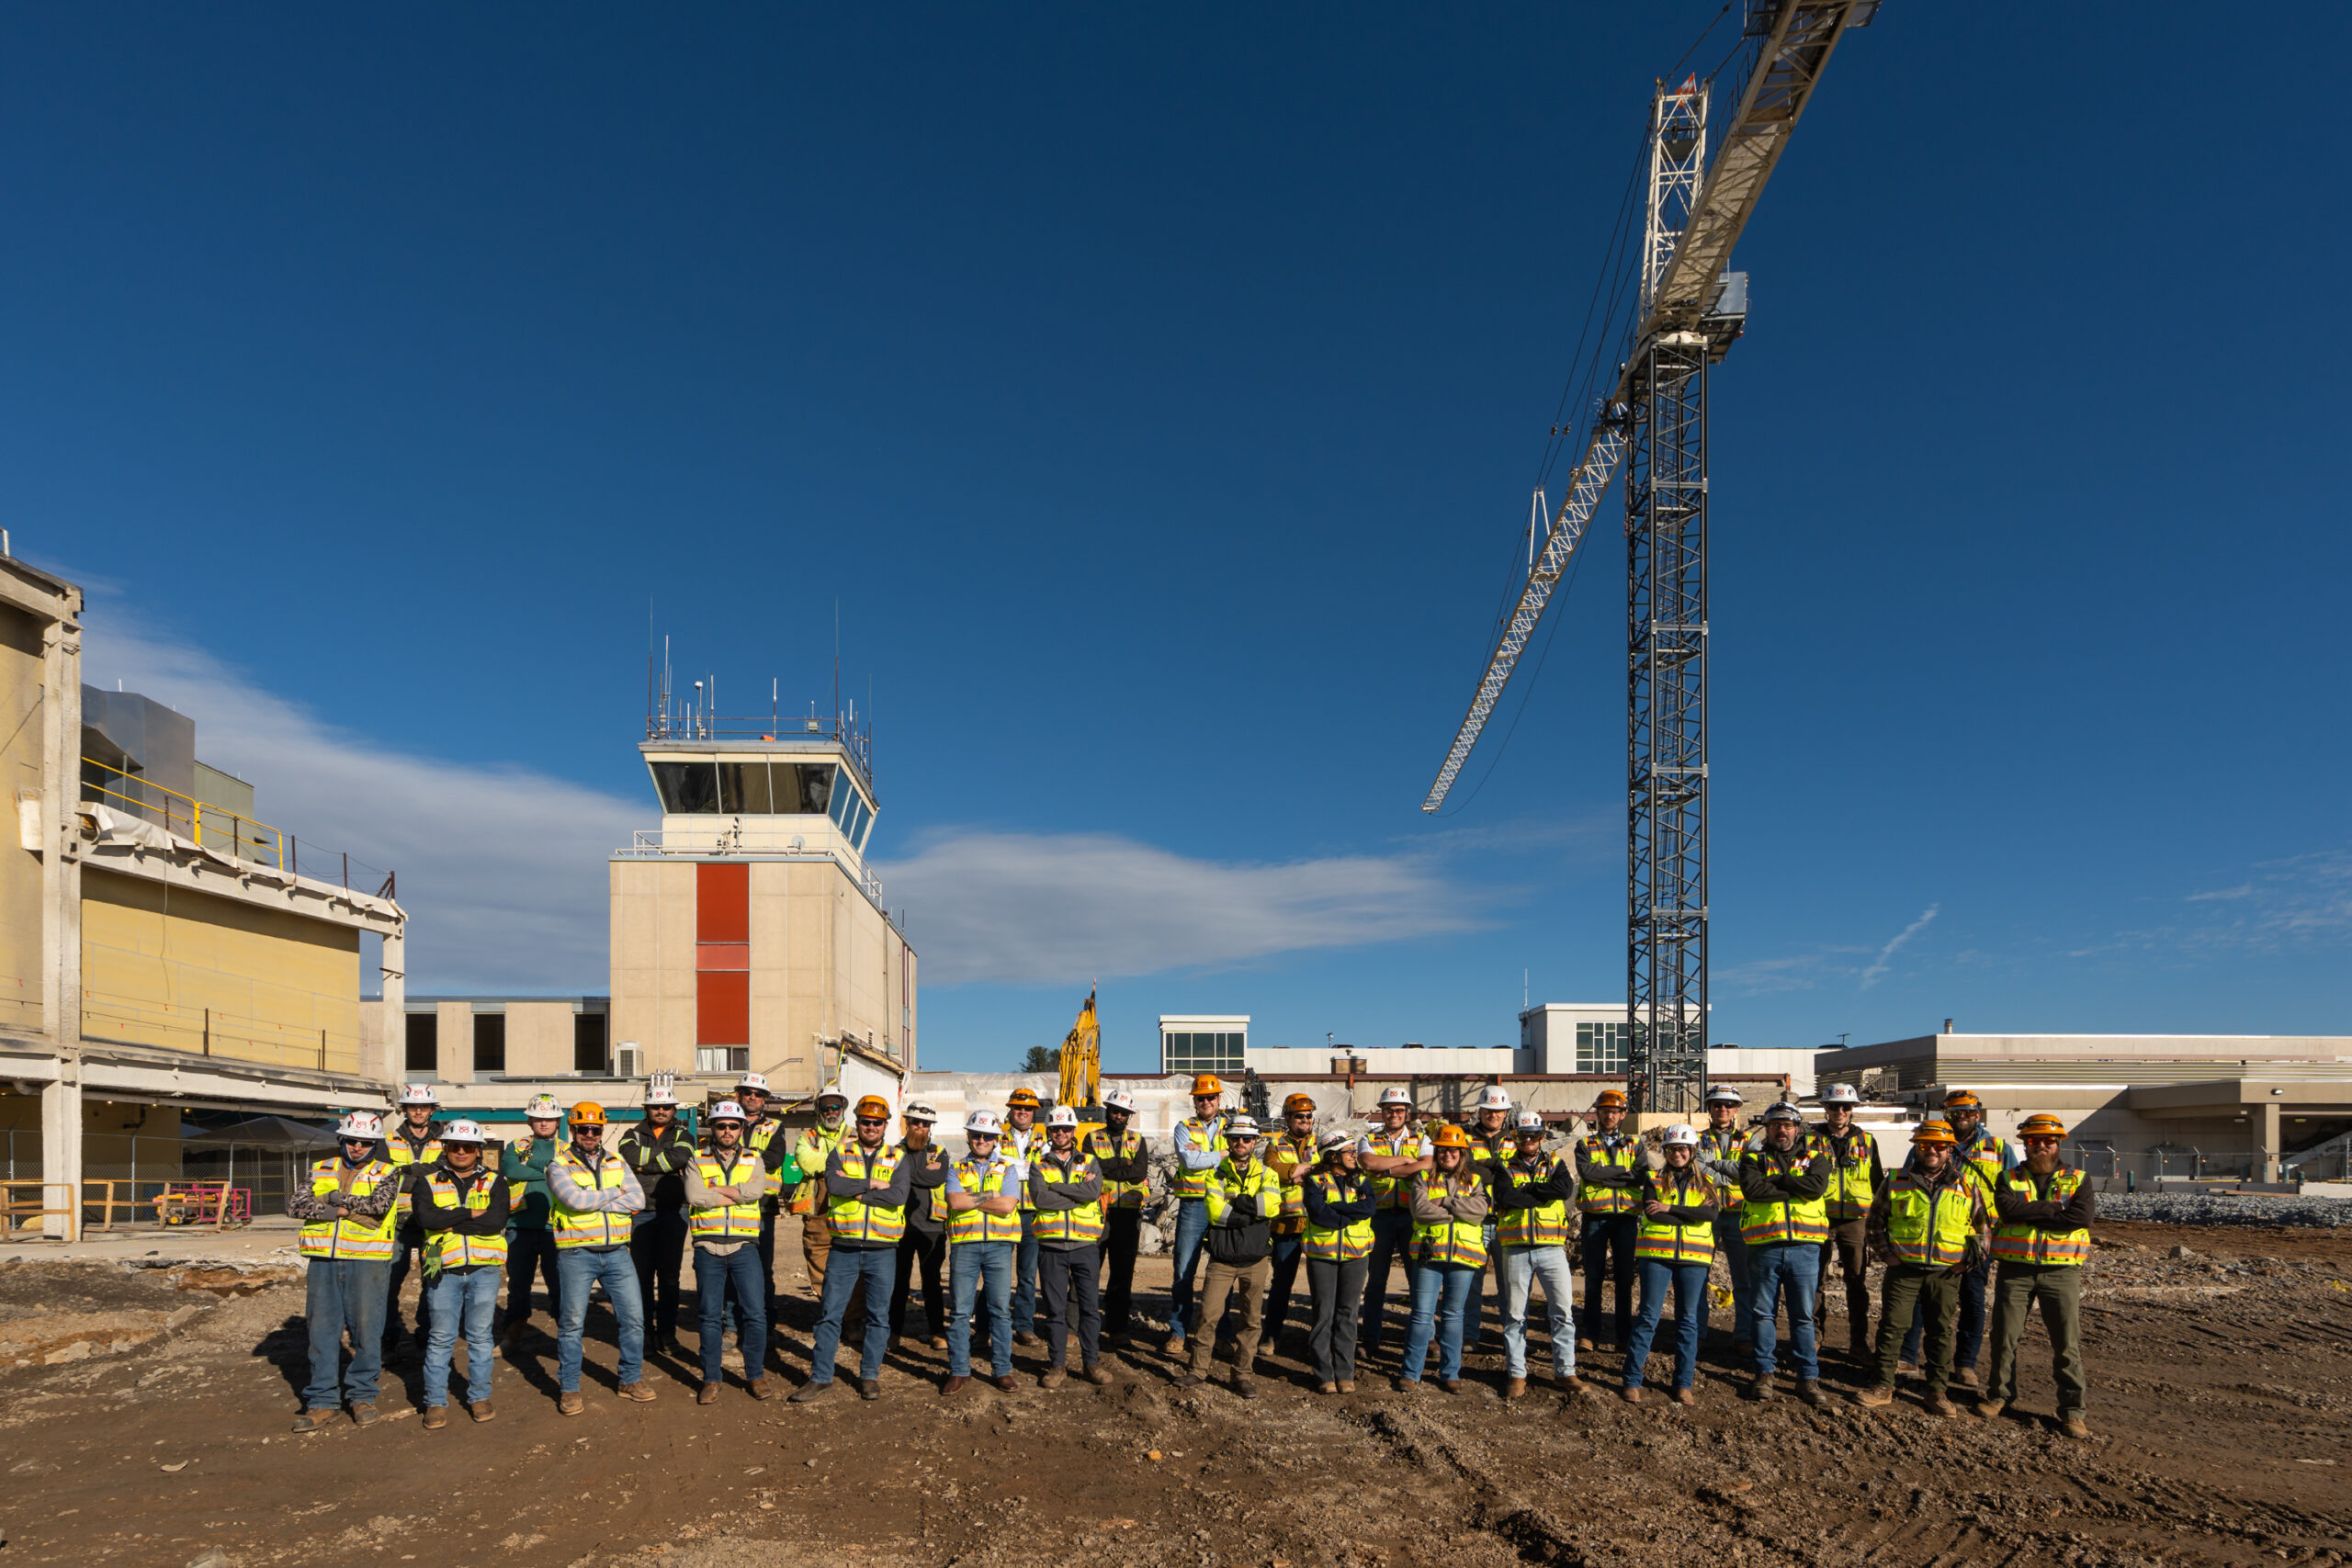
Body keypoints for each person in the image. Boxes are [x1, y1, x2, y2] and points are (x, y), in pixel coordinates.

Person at [1854, 1119, 1987, 1416]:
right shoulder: (1896, 1180)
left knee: (1940, 1331)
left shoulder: (1966, 1186)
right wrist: (1887, 1255)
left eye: (1940, 1146)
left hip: (1945, 1273)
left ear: (1949, 1150)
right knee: (1892, 1328)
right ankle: (1883, 1386)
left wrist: (1967, 1263)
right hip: (1904, 1271)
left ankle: (1936, 1391)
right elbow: (1875, 1222)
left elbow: (1982, 1229)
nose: (1933, 1151)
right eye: (1926, 1145)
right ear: (1918, 1148)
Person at [1981, 1113, 2094, 1438]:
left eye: (2048, 1140)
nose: (2041, 1146)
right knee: (2004, 1338)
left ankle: (2072, 1410)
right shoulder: (2008, 1177)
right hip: (2015, 1269)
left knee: (2066, 1344)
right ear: (2025, 1144)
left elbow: (2080, 1218)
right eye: (2034, 1141)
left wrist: (2032, 1214)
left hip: (2061, 1272)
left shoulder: (2079, 1179)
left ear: (2058, 1143)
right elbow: (2007, 1211)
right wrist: (2055, 1210)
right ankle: (1999, 1395)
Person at [794, 1094, 910, 1402]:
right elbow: (835, 1187)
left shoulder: (898, 1157)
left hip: (883, 1249)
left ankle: (869, 1375)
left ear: (885, 1125)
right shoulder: (839, 1153)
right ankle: (821, 1377)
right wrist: (872, 1185)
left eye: (876, 1122)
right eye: (865, 1121)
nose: (870, 1127)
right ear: (856, 1122)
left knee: (878, 1316)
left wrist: (856, 1191)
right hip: (844, 1247)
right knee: (830, 1315)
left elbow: (898, 1196)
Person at [289, 1112, 400, 1432]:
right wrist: (337, 1209)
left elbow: (378, 1206)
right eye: (352, 1140)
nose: (357, 1146)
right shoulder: (320, 1169)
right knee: (321, 1332)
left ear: (374, 1144)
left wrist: (331, 1198)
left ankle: (362, 1395)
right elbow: (295, 1206)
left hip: (368, 1262)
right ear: (342, 1139)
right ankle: (322, 1401)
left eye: (365, 1142)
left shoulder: (387, 1172)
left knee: (366, 1330)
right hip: (323, 1260)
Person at [1900, 1089, 2016, 1383]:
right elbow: (1906, 1183)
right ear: (1946, 1114)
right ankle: (1908, 1357)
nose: (1961, 1118)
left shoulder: (1999, 1148)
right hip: (1934, 1235)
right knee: (1921, 1298)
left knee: (1973, 1299)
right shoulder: (1927, 1143)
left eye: (1967, 1112)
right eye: (1955, 1113)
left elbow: (2013, 1191)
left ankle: (1965, 1364)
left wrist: (1999, 1229)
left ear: (1978, 1114)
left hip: (1977, 1236)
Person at [548, 1100, 650, 1415]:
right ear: (573, 1130)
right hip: (577, 1253)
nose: (589, 1135)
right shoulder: (558, 1165)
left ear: (601, 1130)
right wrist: (613, 1195)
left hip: (618, 1253)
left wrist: (597, 1200)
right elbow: (575, 1201)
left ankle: (629, 1380)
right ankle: (569, 1388)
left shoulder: (617, 1161)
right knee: (571, 1324)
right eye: (583, 1129)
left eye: (594, 1129)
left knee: (633, 1320)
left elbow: (639, 1199)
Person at [411, 1119, 511, 1428]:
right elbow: (426, 1218)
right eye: (456, 1146)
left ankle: (479, 1396)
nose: (462, 1152)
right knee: (440, 1338)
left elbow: (495, 1221)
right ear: (447, 1148)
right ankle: (436, 1403)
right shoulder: (427, 1182)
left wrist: (449, 1221)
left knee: (481, 1338)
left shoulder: (496, 1181)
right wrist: (469, 1214)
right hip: (443, 1268)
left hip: (484, 1269)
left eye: (469, 1147)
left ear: (479, 1151)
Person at [1180, 1113, 1281, 1396]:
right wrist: (1247, 1212)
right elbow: (1215, 1211)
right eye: (1235, 1138)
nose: (1240, 1142)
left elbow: (1272, 1206)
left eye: (1246, 1138)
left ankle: (1241, 1375)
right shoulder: (1215, 1173)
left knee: (1250, 1321)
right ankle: (1198, 1371)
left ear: (1254, 1142)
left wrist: (1237, 1203)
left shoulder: (1268, 1173)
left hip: (1255, 1259)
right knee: (1208, 1316)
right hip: (1222, 1260)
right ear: (1228, 1140)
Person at [1739, 1101, 1832, 1404]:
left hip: (1804, 1248)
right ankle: (1764, 1373)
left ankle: (1808, 1378)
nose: (1782, 1130)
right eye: (1776, 1125)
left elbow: (1816, 1188)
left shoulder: (1817, 1157)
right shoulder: (1753, 1158)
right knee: (1763, 1313)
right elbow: (1753, 1191)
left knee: (1803, 1317)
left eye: (1788, 1125)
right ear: (1767, 1128)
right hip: (1764, 1246)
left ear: (1798, 1129)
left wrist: (1777, 1180)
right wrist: (1796, 1187)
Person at [1622, 1123, 1720, 1405]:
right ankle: (1631, 1380)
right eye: (1672, 1149)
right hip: (1657, 1256)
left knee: (1688, 1322)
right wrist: (1689, 1215)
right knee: (1647, 1318)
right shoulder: (1653, 1180)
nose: (1677, 1154)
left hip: (1694, 1259)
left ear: (1692, 1151)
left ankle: (1683, 1384)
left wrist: (1670, 1208)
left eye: (1682, 1149)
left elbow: (1710, 1214)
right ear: (1665, 1151)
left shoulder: (1707, 1182)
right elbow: (1654, 1216)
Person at [685, 1100, 772, 1403]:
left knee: (755, 1313)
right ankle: (711, 1379)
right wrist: (736, 1194)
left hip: (744, 1244)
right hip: (708, 1246)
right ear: (712, 1127)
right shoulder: (697, 1159)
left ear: (741, 1129)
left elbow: (756, 1192)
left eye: (733, 1126)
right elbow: (694, 1195)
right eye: (721, 1125)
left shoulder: (754, 1160)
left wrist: (717, 1191)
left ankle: (755, 1375)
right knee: (710, 1316)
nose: (727, 1130)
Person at [1492, 1110, 1581, 1398]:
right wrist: (1543, 1192)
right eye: (1522, 1135)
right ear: (1515, 1136)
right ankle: (1517, 1374)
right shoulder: (1505, 1168)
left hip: (1551, 1248)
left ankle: (1565, 1371)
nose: (1528, 1139)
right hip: (1516, 1249)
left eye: (1533, 1135)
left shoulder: (1555, 1163)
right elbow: (1506, 1197)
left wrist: (1529, 1189)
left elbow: (1564, 1189)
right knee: (1515, 1315)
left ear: (1542, 1136)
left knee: (1562, 1312)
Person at [1398, 1123, 1487, 1393]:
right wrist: (1459, 1210)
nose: (1447, 1155)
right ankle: (1410, 1373)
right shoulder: (1423, 1178)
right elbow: (1420, 1211)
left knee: (1453, 1316)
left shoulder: (1474, 1181)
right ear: (1436, 1152)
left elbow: (1480, 1211)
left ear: (1462, 1153)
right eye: (1442, 1150)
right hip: (1429, 1255)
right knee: (1421, 1315)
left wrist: (1446, 1203)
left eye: (1453, 1151)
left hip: (1463, 1256)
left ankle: (1450, 1373)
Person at [1029, 1105, 1113, 1388]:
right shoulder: (1039, 1164)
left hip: (1085, 1246)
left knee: (1089, 1308)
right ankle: (1057, 1366)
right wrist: (1077, 1193)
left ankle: (1091, 1364)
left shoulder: (1090, 1160)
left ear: (1074, 1131)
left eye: (1065, 1128)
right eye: (1055, 1129)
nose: (1061, 1133)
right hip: (1051, 1246)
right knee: (1055, 1310)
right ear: (1048, 1132)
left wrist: (1058, 1189)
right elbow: (1041, 1200)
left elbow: (1093, 1193)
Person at [942, 1109, 1022, 1393]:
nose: (982, 1140)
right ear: (969, 1136)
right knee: (960, 1312)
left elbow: (1008, 1205)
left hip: (999, 1247)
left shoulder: (1008, 1169)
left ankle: (1002, 1370)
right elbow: (954, 1202)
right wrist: (991, 1196)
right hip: (964, 1246)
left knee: (1000, 1311)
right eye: (977, 1135)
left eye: (988, 1136)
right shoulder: (955, 1168)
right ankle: (959, 1370)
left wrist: (973, 1199)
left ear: (996, 1139)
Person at [1355, 1087, 1432, 1363]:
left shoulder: (1422, 1138)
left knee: (1419, 1280)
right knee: (1376, 1281)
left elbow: (1427, 1165)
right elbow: (1367, 1162)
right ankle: (1371, 1338)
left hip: (1413, 1216)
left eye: (1399, 1110)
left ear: (1407, 1113)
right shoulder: (1369, 1138)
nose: (1394, 1114)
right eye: (1389, 1109)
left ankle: (1427, 1337)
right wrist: (1403, 1162)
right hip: (1380, 1216)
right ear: (1381, 1111)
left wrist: (1385, 1168)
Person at [618, 1079, 694, 1358]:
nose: (660, 1110)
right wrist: (663, 1162)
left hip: (674, 1212)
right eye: (655, 1106)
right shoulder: (630, 1133)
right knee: (641, 1277)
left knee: (670, 1278)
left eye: (665, 1106)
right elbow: (628, 1155)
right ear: (646, 1109)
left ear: (673, 1109)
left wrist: (644, 1165)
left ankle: (667, 1333)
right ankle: (644, 1332)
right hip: (640, 1212)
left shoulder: (685, 1134)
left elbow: (681, 1157)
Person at [1813, 1083, 1884, 1362]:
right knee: (1815, 1282)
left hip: (1855, 1220)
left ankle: (1858, 1342)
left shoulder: (1867, 1141)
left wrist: (1879, 1221)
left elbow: (1878, 1182)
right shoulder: (1809, 1139)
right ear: (1826, 1108)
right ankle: (1815, 1337)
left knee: (1856, 1282)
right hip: (1818, 1217)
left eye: (1845, 1106)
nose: (1839, 1111)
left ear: (1853, 1109)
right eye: (1833, 1106)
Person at [1301, 1129, 1374, 1393]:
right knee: (1323, 1314)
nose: (1354, 1155)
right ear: (1333, 1156)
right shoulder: (1315, 1181)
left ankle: (1345, 1373)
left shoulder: (1361, 1180)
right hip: (1323, 1256)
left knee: (1348, 1314)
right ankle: (1324, 1374)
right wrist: (1348, 1215)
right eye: (1349, 1151)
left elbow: (1369, 1209)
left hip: (1355, 1256)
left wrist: (1338, 1209)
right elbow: (1320, 1214)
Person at [1164, 1076, 1229, 1356]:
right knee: (1183, 1271)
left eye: (1211, 1097)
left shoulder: (1233, 1126)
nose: (1206, 1102)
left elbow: (1243, 1156)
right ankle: (1178, 1331)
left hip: (1225, 1205)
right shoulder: (1184, 1127)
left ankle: (1223, 1334)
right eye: (1201, 1098)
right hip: (1193, 1205)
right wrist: (1221, 1153)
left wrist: (1204, 1152)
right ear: (1194, 1101)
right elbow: (1188, 1161)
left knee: (1224, 1271)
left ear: (1219, 1099)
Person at [1574, 1089, 1641, 1352]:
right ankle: (1590, 1333)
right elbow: (1587, 1173)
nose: (1609, 1115)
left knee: (1624, 1279)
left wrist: (1606, 1175)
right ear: (1597, 1114)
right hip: (1595, 1217)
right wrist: (1623, 1171)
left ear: (1623, 1114)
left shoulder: (1636, 1145)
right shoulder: (1585, 1144)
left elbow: (1640, 1176)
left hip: (1626, 1217)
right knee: (1593, 1277)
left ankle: (1623, 1335)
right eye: (1604, 1111)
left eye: (1614, 1111)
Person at [380, 1083, 443, 1359]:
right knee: (390, 1281)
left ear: (432, 1109)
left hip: (433, 1225)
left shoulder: (447, 1140)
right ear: (404, 1109)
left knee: (434, 1279)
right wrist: (424, 1175)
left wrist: (406, 1173)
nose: (419, 1111)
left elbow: (445, 1175)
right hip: (398, 1225)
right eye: (413, 1106)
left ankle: (426, 1334)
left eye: (424, 1106)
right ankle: (388, 1336)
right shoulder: (387, 1140)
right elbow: (384, 1178)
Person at [499, 1093, 565, 1348]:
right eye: (538, 1118)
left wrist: (534, 1170)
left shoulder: (567, 1149)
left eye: (549, 1119)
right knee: (518, 1284)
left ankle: (567, 1337)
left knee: (559, 1285)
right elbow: (512, 1170)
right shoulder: (515, 1146)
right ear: (529, 1120)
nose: (544, 1123)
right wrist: (550, 1171)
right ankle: (512, 1336)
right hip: (520, 1225)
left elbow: (569, 1175)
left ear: (558, 1121)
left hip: (555, 1227)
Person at [1087, 1088, 1152, 1344]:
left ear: (1129, 1116)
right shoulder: (1092, 1138)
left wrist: (1110, 1170)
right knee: (1088, 1271)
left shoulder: (1138, 1140)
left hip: (1128, 1214)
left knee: (1122, 1274)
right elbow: (1090, 1168)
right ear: (1108, 1111)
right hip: (1098, 1212)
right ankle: (1082, 1324)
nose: (1118, 1116)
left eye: (1123, 1113)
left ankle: (1117, 1328)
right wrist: (1122, 1164)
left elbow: (1139, 1173)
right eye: (1115, 1111)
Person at [890, 1100, 951, 1350]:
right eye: (916, 1122)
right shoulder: (893, 1151)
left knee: (932, 1283)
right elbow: (896, 1177)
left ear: (931, 1127)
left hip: (932, 1228)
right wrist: (919, 1174)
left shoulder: (939, 1151)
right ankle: (892, 1332)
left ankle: (937, 1331)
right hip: (899, 1227)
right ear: (907, 1123)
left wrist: (906, 1174)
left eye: (925, 1124)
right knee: (897, 1283)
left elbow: (937, 1177)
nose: (920, 1127)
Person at [1261, 1093, 1318, 1355]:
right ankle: (1271, 1336)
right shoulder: (1274, 1144)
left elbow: (1329, 1171)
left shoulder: (1321, 1142)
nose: (1305, 1120)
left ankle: (1318, 1340)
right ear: (1287, 1117)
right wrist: (1305, 1171)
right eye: (1300, 1116)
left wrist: (1295, 1173)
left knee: (1322, 1287)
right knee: (1281, 1284)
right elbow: (1272, 1170)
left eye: (1308, 1116)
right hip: (1287, 1224)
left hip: (1319, 1224)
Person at [1461, 1086, 1515, 1349]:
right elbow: (1465, 1170)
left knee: (1509, 1285)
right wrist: (1499, 1171)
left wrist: (1488, 1169)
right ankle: (1470, 1334)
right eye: (1488, 1110)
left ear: (1505, 1113)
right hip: (1475, 1221)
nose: (1492, 1115)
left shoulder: (1518, 1139)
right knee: (1472, 1282)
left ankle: (1511, 1337)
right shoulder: (1465, 1139)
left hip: (1507, 1221)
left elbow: (1516, 1175)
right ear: (1479, 1111)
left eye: (1497, 1111)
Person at [1696, 1086, 1750, 1342]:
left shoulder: (1751, 1141)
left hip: (1740, 1215)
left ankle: (1744, 1335)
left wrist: (1714, 1167)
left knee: (1744, 1279)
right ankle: (1697, 1333)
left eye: (1728, 1105)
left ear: (1736, 1109)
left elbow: (1752, 1169)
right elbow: (1695, 1169)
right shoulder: (1696, 1139)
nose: (1723, 1109)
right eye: (1717, 1104)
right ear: (1709, 1108)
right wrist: (1729, 1177)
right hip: (1708, 1213)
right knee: (1698, 1276)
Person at [792, 1082, 850, 1307]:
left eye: (835, 1107)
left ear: (842, 1108)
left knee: (850, 1264)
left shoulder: (855, 1134)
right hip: (818, 1212)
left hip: (849, 1209)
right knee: (818, 1262)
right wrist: (841, 1162)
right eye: (826, 1108)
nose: (831, 1112)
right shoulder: (808, 1137)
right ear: (819, 1111)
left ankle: (852, 1319)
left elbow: (859, 1167)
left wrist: (824, 1161)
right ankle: (830, 1312)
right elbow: (806, 1163)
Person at [1001, 1087, 1046, 1347]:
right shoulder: (997, 1137)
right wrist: (1026, 1168)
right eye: (1018, 1107)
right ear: (1011, 1110)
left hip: (1031, 1214)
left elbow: (1042, 1169)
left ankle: (1024, 1326)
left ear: (1034, 1113)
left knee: (1027, 1275)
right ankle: (991, 1325)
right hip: (1004, 1212)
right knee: (998, 1274)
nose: (1022, 1112)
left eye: (1027, 1108)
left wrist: (1014, 1165)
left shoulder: (1044, 1139)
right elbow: (998, 1164)